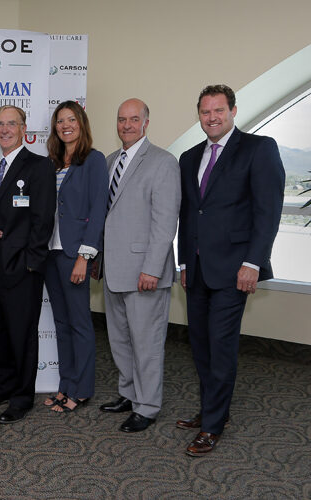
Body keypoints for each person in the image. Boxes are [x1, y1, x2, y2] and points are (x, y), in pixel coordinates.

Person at [177, 85, 284, 456]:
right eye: (205, 112)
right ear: (200, 115)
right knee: (201, 345)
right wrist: (185, 262)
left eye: (219, 110)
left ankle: (211, 426)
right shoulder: (189, 158)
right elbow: (190, 214)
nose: (212, 118)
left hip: (235, 268)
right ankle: (213, 412)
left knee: (221, 347)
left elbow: (267, 211)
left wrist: (253, 262)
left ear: (233, 111)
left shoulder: (259, 149)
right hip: (198, 269)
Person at [99, 99, 180, 432]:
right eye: (122, 120)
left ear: (146, 123)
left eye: (134, 119)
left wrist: (153, 268)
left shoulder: (163, 162)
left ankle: (147, 406)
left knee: (146, 342)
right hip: (113, 269)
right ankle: (129, 394)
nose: (127, 125)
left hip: (145, 272)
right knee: (119, 339)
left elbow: (165, 223)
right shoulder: (108, 161)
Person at [0, 105, 56, 424]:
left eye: (11, 123)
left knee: (22, 334)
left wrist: (31, 265)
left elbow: (43, 220)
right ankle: (3, 386)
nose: (4, 129)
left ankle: (22, 397)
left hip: (23, 268)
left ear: (24, 128)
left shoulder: (39, 167)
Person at [41, 100, 107, 414]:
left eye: (71, 119)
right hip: (51, 253)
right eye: (60, 120)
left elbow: (98, 210)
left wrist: (86, 256)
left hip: (75, 253)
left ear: (81, 122)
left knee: (80, 324)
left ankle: (81, 390)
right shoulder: (52, 162)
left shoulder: (93, 160)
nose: (65, 125)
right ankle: (66, 384)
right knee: (62, 323)